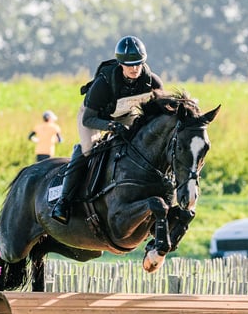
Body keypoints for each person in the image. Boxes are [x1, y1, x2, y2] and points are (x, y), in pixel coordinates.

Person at [51, 35, 164, 224]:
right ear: (120, 64)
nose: (134, 68)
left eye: (138, 64)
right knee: (89, 149)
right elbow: (88, 118)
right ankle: (64, 202)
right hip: (95, 117)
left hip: (125, 113)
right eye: (129, 65)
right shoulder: (103, 83)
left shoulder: (152, 81)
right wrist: (111, 126)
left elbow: (161, 109)